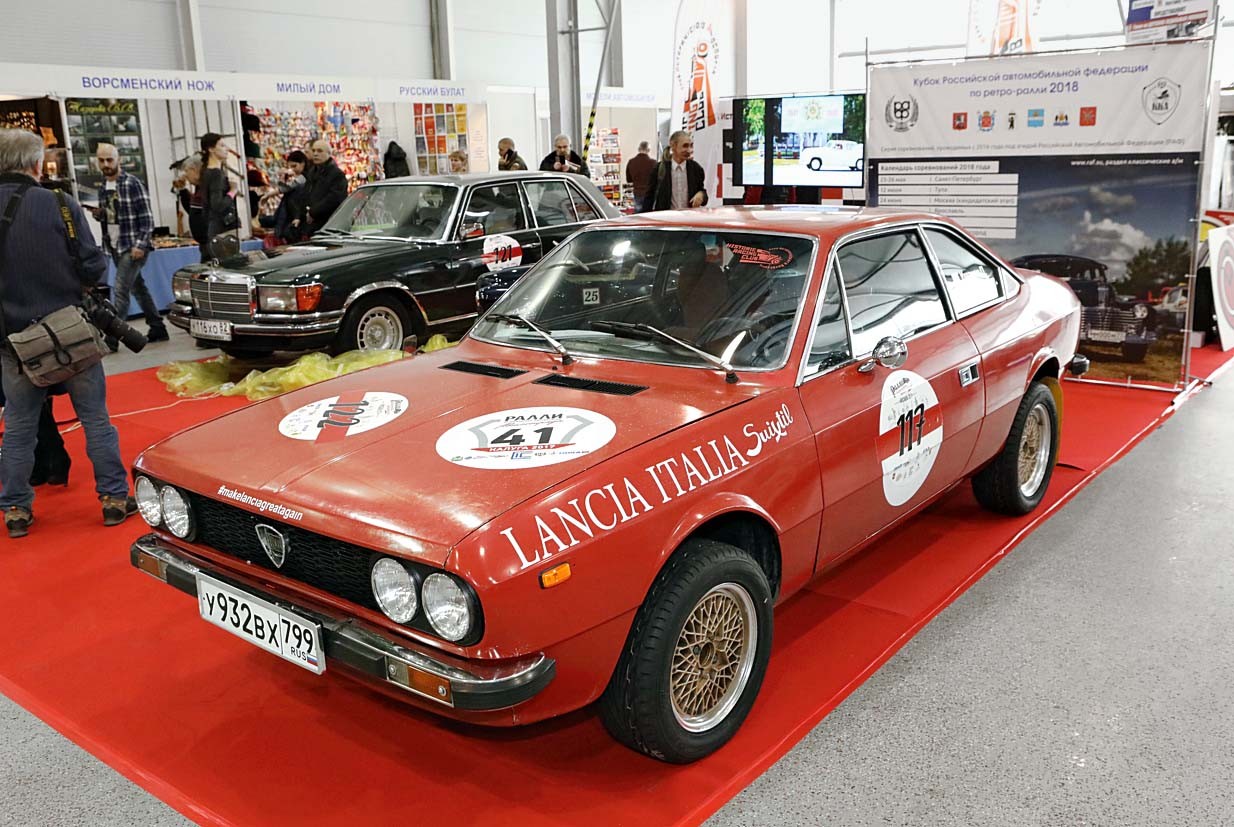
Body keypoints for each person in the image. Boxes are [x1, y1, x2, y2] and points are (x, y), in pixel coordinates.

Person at [0, 128, 137, 538]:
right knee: (95, 420)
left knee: (19, 429)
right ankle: (113, 499)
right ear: (35, 164)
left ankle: (15, 509)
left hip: (14, 342)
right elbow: (94, 266)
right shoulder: (60, 204)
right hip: (70, 333)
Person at [90, 143, 168, 345]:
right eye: (101, 160)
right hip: (114, 245)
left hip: (132, 245)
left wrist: (140, 245)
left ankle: (113, 338)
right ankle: (158, 327)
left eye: (109, 159)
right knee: (137, 288)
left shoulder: (132, 183)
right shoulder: (103, 187)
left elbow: (147, 219)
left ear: (119, 160)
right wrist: (100, 215)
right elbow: (112, 216)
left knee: (120, 290)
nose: (106, 164)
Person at [645, 130, 708, 212]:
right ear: (673, 146)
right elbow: (649, 197)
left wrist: (701, 195)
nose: (689, 150)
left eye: (691, 146)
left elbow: (703, 194)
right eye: (685, 146)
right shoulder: (659, 169)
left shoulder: (696, 169)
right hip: (665, 218)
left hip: (690, 217)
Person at [200, 133, 239, 259]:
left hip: (214, 226)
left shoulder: (207, 171)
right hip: (222, 228)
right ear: (211, 149)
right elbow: (217, 205)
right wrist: (233, 191)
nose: (226, 149)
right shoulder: (215, 173)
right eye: (222, 145)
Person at [301, 138, 348, 237]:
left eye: (319, 151)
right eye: (313, 150)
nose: (315, 154)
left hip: (328, 225)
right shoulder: (312, 172)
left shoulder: (336, 174)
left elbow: (335, 198)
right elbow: (306, 194)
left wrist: (313, 212)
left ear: (328, 153)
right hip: (311, 225)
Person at [626, 141, 656, 206]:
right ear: (648, 150)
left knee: (638, 211)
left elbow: (629, 179)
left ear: (639, 149)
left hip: (637, 193)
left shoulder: (631, 162)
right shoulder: (653, 163)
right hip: (650, 193)